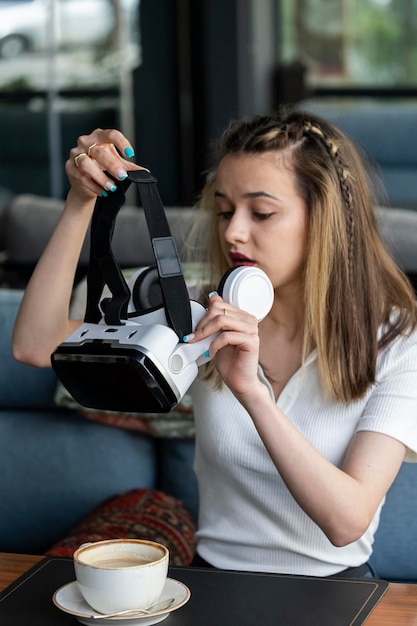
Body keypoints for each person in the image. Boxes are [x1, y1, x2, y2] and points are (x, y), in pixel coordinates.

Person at [13, 110, 417, 578]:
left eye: (261, 212)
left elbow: (347, 522)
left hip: (334, 590)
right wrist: (81, 201)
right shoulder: (197, 311)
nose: (232, 232)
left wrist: (252, 394)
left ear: (327, 220)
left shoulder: (396, 341)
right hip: (215, 583)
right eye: (225, 210)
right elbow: (34, 345)